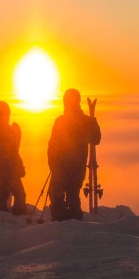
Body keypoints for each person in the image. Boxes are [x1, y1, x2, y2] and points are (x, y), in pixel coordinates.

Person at [46, 88, 101, 221]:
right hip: (69, 167)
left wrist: (53, 163)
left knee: (61, 194)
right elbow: (53, 145)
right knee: (68, 195)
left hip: (67, 167)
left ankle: (65, 221)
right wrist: (53, 163)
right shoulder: (81, 121)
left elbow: (95, 139)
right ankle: (71, 221)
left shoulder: (78, 121)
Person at [0, 100, 27, 215]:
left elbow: (12, 150)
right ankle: (12, 216)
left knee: (5, 193)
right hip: (7, 169)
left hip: (3, 168)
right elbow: (9, 151)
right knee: (12, 194)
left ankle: (5, 216)